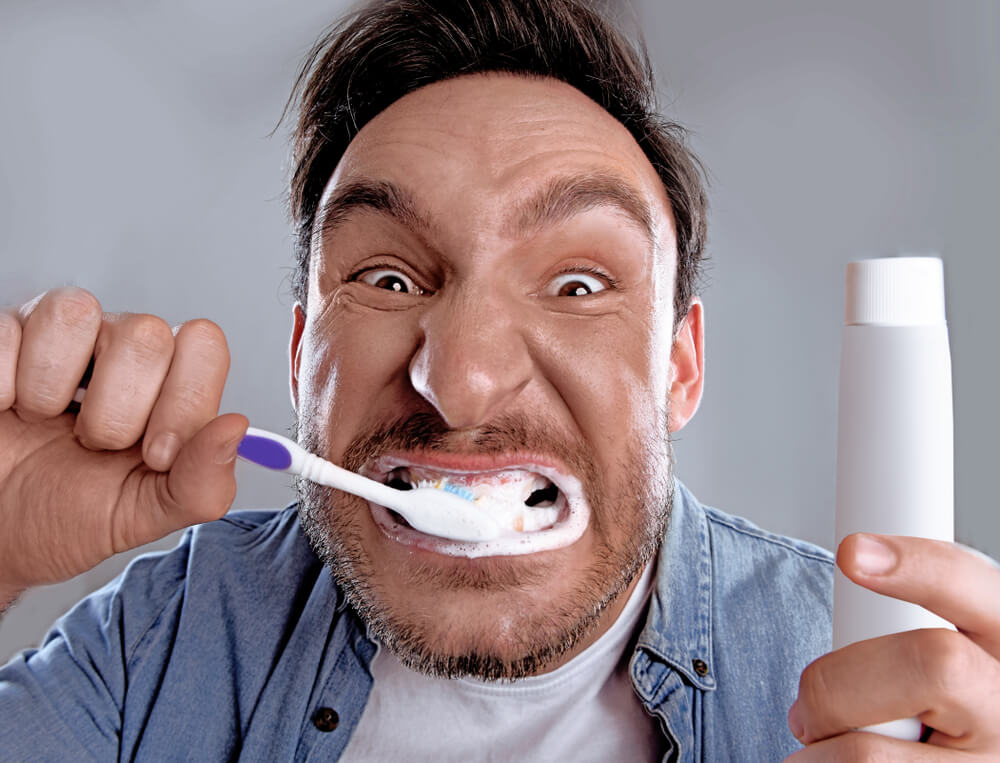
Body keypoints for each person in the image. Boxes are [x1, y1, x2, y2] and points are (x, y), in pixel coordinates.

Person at [1, 0, 998, 759]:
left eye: (575, 282)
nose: (462, 380)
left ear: (679, 368)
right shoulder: (162, 638)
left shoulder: (864, 675)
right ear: (304, 353)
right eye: (387, 277)